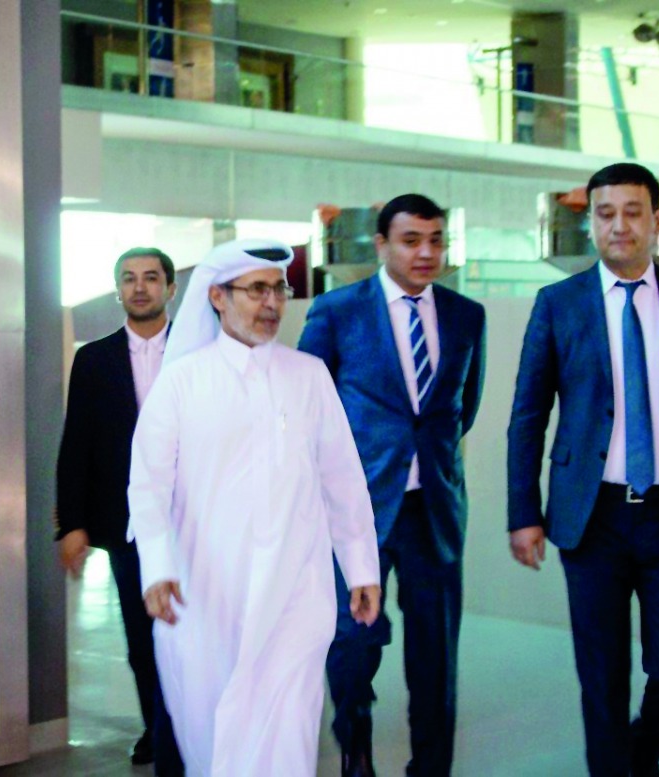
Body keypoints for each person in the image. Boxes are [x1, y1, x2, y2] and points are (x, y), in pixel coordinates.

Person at [507, 163, 659, 777]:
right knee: (603, 675)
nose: (620, 225)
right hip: (593, 519)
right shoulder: (558, 304)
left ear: (657, 220)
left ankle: (634, 757)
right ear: (591, 222)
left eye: (633, 211)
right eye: (606, 213)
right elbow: (528, 416)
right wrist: (523, 513)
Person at [128, 238, 382, 777]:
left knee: (289, 732)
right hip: (207, 592)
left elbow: (342, 478)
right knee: (215, 737)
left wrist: (361, 567)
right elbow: (148, 486)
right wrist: (157, 566)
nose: (271, 303)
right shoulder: (181, 381)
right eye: (257, 290)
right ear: (218, 297)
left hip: (296, 590)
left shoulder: (309, 375)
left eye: (279, 290)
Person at [298, 194, 486, 777]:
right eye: (411, 240)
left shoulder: (465, 315)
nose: (426, 252)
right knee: (353, 648)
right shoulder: (337, 311)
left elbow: (462, 410)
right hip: (356, 512)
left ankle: (431, 766)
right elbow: (310, 408)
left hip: (434, 510)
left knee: (436, 657)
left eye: (435, 239)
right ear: (381, 245)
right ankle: (355, 747)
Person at [55, 246, 181, 769]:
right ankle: (159, 728)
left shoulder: (200, 354)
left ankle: (195, 727)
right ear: (118, 290)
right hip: (126, 523)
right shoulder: (94, 359)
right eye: (128, 279)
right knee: (141, 635)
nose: (139, 287)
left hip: (198, 519)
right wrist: (72, 524)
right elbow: (75, 445)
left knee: (197, 632)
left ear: (171, 288)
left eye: (151, 278)